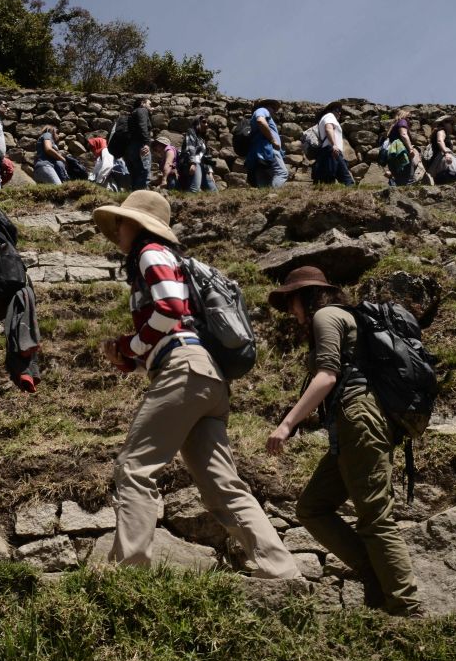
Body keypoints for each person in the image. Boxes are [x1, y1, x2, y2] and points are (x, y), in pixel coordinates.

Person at [91, 191, 300, 578]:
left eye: (121, 221)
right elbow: (178, 327)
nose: (116, 229)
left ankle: (128, 573)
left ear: (137, 224)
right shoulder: (172, 259)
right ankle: (281, 569)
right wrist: (132, 357)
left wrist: (128, 345)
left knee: (135, 468)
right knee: (222, 485)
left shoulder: (149, 252)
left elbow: (170, 309)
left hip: (184, 371)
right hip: (208, 377)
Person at [265, 266, 423, 616]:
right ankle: (378, 579)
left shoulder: (325, 316)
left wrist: (287, 424)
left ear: (304, 296)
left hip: (358, 418)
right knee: (312, 507)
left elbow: (326, 376)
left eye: (291, 302)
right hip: (356, 422)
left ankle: (407, 608)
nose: (292, 313)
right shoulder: (346, 317)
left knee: (375, 517)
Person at [245, 98, 288, 189]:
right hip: (267, 150)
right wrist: (273, 140)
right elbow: (260, 121)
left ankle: (265, 199)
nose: (275, 111)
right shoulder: (262, 110)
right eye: (273, 108)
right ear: (268, 106)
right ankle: (273, 195)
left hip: (257, 153)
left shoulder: (260, 112)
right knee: (282, 173)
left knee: (264, 180)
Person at [312, 100, 355, 186]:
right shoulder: (329, 116)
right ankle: (354, 196)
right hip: (332, 151)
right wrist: (334, 144)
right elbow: (328, 128)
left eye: (340, 111)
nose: (339, 113)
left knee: (329, 179)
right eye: (337, 110)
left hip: (328, 151)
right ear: (329, 110)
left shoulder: (323, 119)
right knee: (347, 179)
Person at [178, 116, 217, 193]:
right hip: (194, 163)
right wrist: (192, 163)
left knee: (213, 190)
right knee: (195, 188)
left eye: (207, 123)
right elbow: (190, 148)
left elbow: (206, 156)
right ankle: (187, 203)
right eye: (204, 122)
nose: (206, 124)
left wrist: (210, 172)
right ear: (197, 122)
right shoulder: (191, 132)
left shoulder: (202, 138)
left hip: (202, 165)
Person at [426, 115, 456, 185]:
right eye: (450, 123)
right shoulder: (441, 131)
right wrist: (446, 153)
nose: (452, 125)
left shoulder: (443, 133)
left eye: (453, 124)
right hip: (443, 161)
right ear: (444, 123)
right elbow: (440, 141)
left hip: (445, 163)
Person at [385, 109, 422, 187]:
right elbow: (404, 134)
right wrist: (411, 149)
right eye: (409, 117)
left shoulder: (394, 125)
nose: (410, 120)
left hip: (395, 153)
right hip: (402, 153)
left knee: (399, 177)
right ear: (404, 116)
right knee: (408, 176)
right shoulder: (402, 121)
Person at [124, 98, 153, 191]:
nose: (151, 106)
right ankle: (142, 198)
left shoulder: (133, 114)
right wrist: (147, 143)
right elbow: (143, 126)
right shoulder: (142, 110)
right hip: (140, 145)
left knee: (135, 173)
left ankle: (134, 197)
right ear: (142, 103)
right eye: (150, 104)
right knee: (144, 172)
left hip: (130, 147)